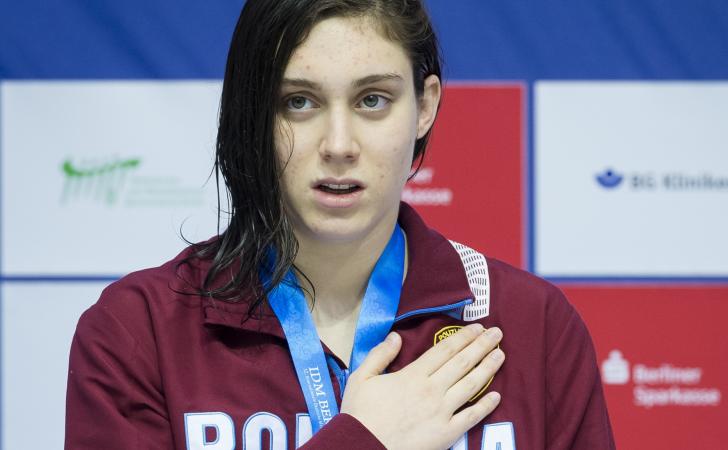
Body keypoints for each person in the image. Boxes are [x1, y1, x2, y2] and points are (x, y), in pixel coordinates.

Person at [65, 0, 615, 449]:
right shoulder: (139, 330)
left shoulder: (531, 327)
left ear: (424, 107)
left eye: (372, 100)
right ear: (253, 112)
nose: (338, 145)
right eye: (299, 102)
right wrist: (365, 441)